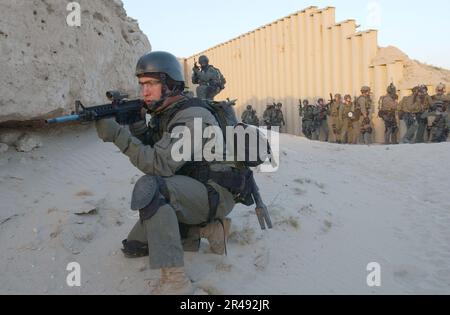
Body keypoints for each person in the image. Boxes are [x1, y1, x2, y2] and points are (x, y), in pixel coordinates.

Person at [95, 51, 237, 295]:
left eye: (151, 84)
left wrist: (118, 135)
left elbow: (159, 164)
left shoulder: (192, 116)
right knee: (135, 247)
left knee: (152, 187)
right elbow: (157, 145)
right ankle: (211, 230)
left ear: (170, 84)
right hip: (190, 186)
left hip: (214, 193)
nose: (145, 91)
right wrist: (138, 125)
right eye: (142, 85)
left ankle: (175, 281)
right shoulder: (169, 112)